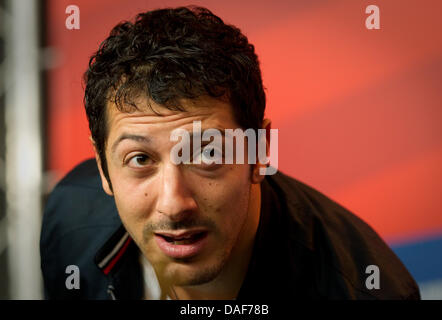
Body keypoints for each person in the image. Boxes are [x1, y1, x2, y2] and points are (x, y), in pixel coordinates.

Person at [40, 6, 420, 300]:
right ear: (104, 169)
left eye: (207, 154)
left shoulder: (365, 288)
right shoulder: (70, 221)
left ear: (259, 153)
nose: (174, 205)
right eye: (140, 159)